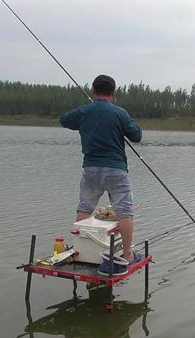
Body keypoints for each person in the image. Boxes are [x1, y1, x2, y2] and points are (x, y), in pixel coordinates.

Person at [60, 74, 142, 265]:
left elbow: (64, 120)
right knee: (125, 212)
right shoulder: (120, 113)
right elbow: (136, 135)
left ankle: (79, 250)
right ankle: (128, 254)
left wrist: (85, 119)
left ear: (93, 91)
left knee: (85, 207)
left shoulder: (84, 111)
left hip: (91, 169)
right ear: (113, 93)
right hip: (116, 169)